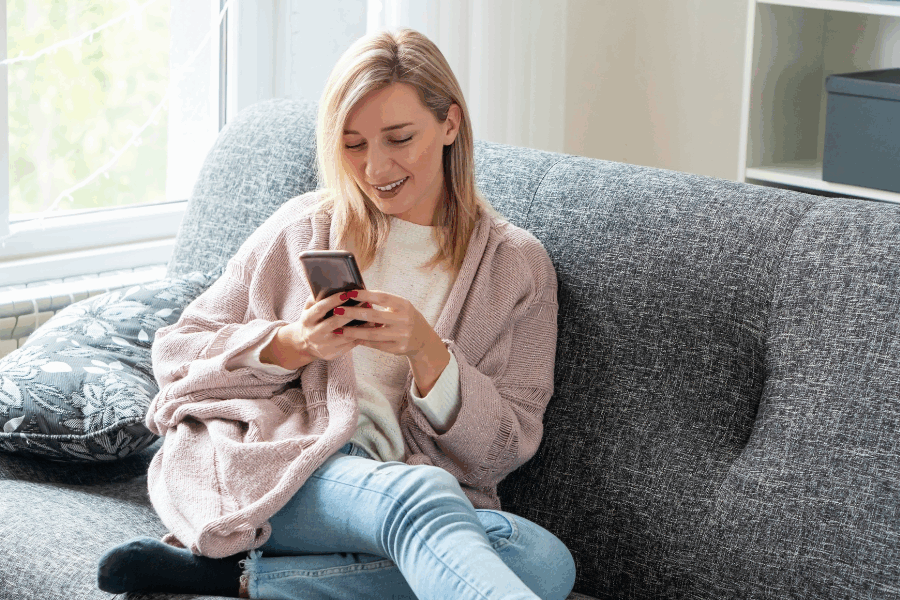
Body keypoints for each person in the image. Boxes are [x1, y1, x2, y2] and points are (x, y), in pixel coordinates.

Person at [96, 27, 574, 600]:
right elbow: (178, 352)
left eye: (399, 138)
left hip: (400, 492)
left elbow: (508, 444)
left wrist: (430, 354)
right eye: (353, 144)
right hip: (277, 466)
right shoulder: (303, 227)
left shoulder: (515, 266)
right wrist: (289, 345)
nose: (375, 168)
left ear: (450, 124)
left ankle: (245, 582)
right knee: (420, 497)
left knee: (542, 562)